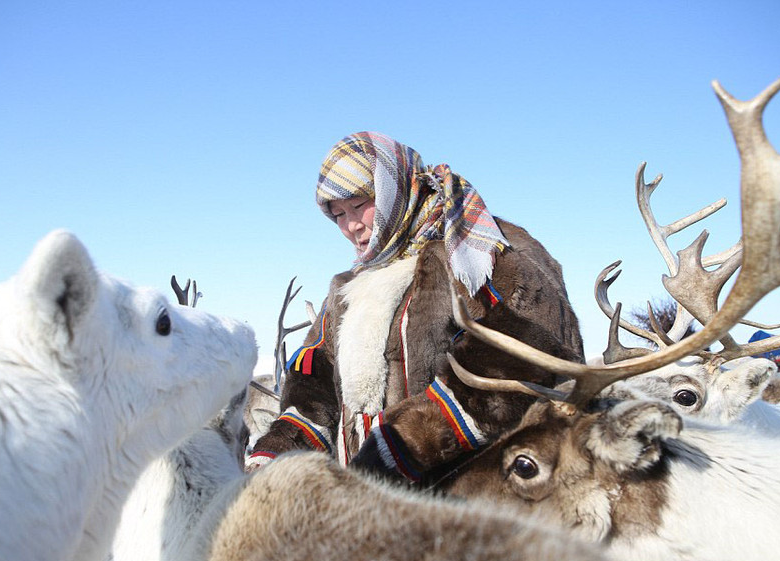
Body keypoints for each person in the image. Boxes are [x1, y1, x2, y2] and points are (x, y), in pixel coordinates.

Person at [246, 131, 584, 482]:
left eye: (360, 204)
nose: (351, 225)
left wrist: (400, 448)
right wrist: (274, 456)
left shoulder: (478, 249)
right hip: (371, 501)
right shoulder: (348, 288)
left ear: (393, 189)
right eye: (338, 215)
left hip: (477, 500)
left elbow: (530, 355)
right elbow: (314, 385)